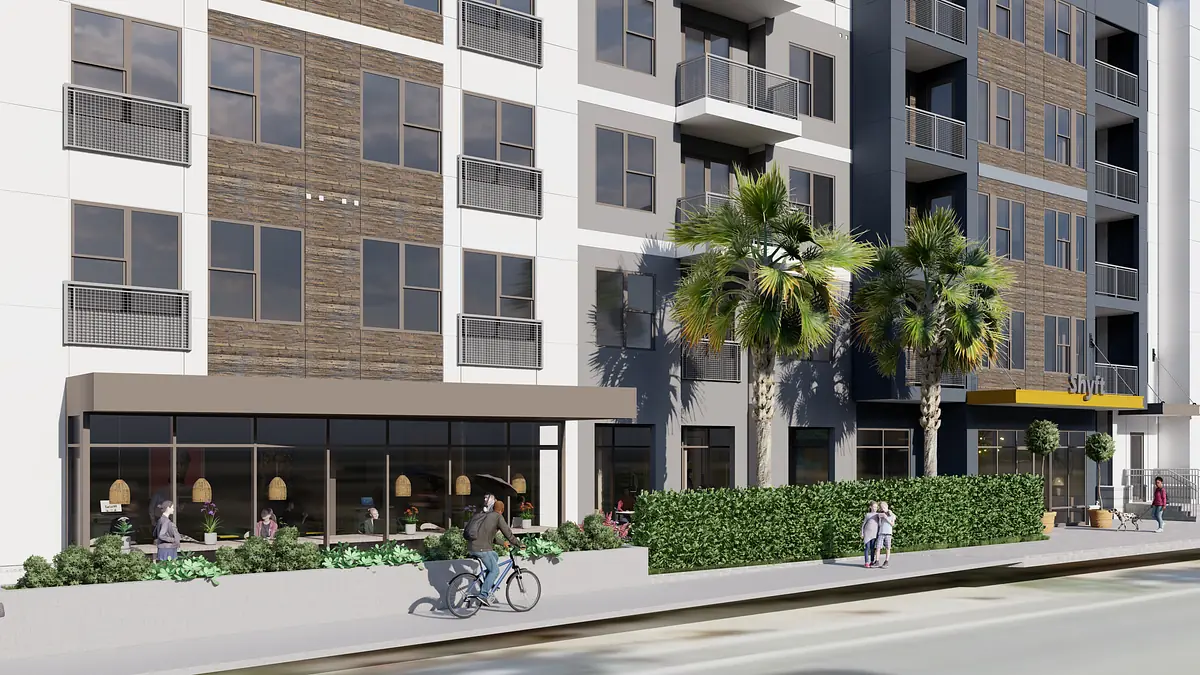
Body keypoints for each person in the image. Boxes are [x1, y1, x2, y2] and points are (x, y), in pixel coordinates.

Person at [464, 493, 523, 606]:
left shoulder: (486, 515)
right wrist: (519, 544)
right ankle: (483, 595)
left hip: (472, 547)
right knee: (495, 570)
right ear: (501, 510)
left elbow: (490, 536)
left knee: (494, 556)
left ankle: (488, 582)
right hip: (482, 549)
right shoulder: (498, 517)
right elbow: (508, 533)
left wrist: (503, 543)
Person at [874, 502, 897, 568]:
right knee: (878, 547)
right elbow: (879, 524)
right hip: (881, 532)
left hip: (888, 533)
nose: (882, 509)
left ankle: (886, 561)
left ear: (887, 507)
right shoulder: (881, 514)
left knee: (888, 547)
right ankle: (877, 561)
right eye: (881, 508)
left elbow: (892, 524)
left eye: (883, 507)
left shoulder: (892, 515)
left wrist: (886, 517)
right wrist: (880, 518)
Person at [861, 501, 879, 569]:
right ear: (870, 507)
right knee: (867, 548)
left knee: (872, 549)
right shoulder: (868, 515)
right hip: (867, 534)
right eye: (874, 507)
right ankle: (866, 562)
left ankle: (872, 561)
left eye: (876, 507)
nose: (875, 508)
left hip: (874, 534)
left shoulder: (878, 515)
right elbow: (863, 524)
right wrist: (862, 533)